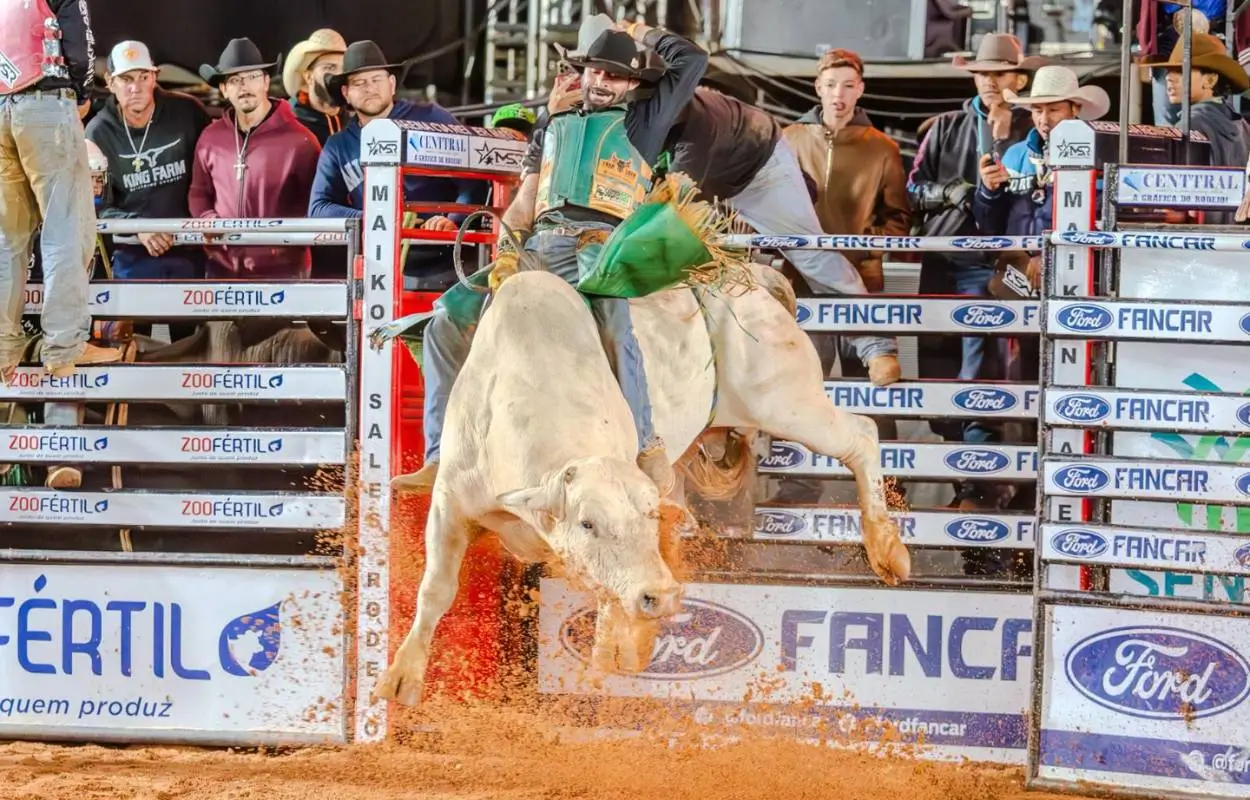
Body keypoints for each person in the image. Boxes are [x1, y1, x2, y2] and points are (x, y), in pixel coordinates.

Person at [405, 22, 707, 493]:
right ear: (581, 74)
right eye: (594, 71)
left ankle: (646, 442)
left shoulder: (643, 122)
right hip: (538, 246)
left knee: (615, 325)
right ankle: (441, 455)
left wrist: (641, 31)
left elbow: (692, 60)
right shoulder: (550, 126)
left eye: (613, 75)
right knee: (445, 320)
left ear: (631, 83)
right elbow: (525, 200)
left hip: (599, 245)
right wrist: (508, 251)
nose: (601, 82)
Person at [653, 83, 902, 385]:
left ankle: (876, 347)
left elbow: (676, 198)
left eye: (847, 85)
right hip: (715, 185)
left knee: (810, 253)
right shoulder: (632, 121)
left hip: (757, 172)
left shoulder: (699, 126)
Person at [0, 0, 122, 384]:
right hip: (45, 101)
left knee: (7, 239)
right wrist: (81, 91)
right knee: (66, 228)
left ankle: (3, 350)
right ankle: (64, 346)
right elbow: (79, 42)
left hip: (1, 106)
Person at [307, 40, 486, 290]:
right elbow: (318, 209)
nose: (370, 88)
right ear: (346, 93)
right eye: (359, 82)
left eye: (376, 79)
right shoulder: (338, 147)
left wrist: (453, 219)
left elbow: (474, 179)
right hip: (380, 265)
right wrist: (378, 219)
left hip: (445, 260)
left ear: (391, 84)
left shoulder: (431, 118)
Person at [189, 38, 322, 279]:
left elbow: (316, 205)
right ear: (224, 89)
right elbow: (198, 192)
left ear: (266, 82)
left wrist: (284, 242)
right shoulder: (210, 138)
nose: (244, 86)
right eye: (234, 80)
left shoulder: (301, 141)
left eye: (252, 76)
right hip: (221, 270)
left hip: (284, 274)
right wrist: (207, 219)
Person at [86, 40, 211, 286]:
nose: (136, 88)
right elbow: (96, 205)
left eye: (143, 77)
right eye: (126, 79)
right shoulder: (98, 133)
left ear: (155, 77)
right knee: (134, 313)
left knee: (191, 312)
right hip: (131, 254)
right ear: (110, 82)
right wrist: (138, 226)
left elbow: (213, 173)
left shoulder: (187, 111)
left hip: (191, 249)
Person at [283, 28, 350, 146]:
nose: (339, 75)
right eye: (330, 68)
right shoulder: (290, 127)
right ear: (309, 77)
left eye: (344, 68)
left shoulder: (356, 120)